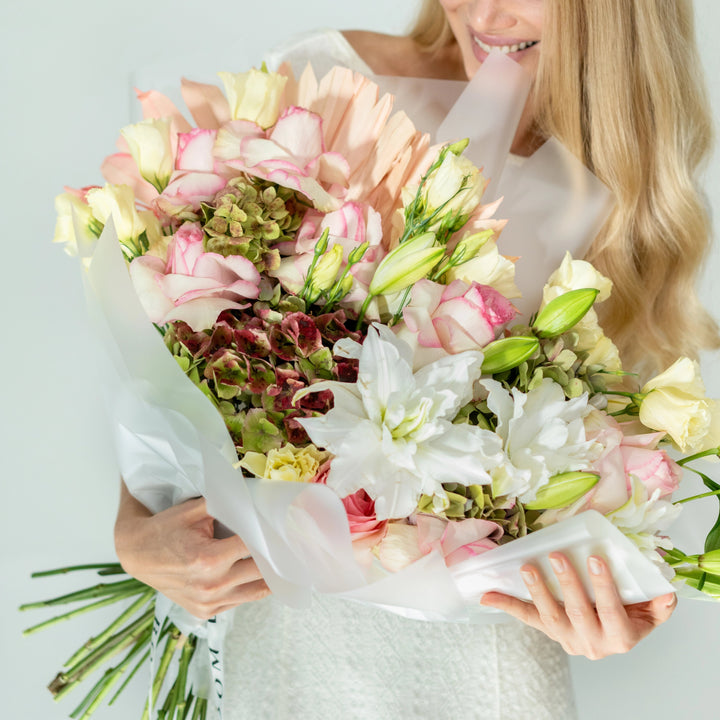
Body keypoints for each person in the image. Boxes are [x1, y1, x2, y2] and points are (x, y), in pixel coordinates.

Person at [114, 1, 719, 717]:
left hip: (490, 668)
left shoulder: (626, 184)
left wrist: (616, 605)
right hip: (291, 648)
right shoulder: (333, 81)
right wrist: (135, 531)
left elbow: (630, 473)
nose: (481, 10)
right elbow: (195, 351)